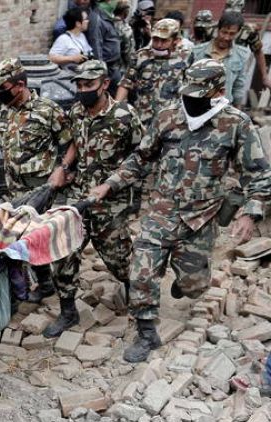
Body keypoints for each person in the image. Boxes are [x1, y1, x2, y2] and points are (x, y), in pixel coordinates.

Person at [96, 59, 271, 363]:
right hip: (161, 212)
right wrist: (109, 184)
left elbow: (259, 174)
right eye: (188, 93)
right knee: (142, 271)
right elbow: (141, 158)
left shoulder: (236, 124)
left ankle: (185, 280)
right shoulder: (168, 117)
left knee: (195, 287)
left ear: (217, 90)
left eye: (198, 95)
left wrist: (249, 212)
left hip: (200, 219)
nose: (191, 100)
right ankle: (147, 332)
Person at [0, 58, 71, 303]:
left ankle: (67, 300)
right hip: (17, 190)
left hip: (43, 191)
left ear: (19, 85)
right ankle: (45, 283)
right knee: (26, 239)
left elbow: (72, 143)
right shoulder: (6, 110)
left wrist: (62, 169)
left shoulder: (48, 110)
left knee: (50, 240)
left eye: (3, 87)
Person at [42, 60, 142, 338]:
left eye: (89, 85)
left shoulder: (125, 116)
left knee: (119, 260)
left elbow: (141, 156)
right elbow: (75, 141)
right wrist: (63, 168)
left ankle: (141, 301)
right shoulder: (76, 111)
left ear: (105, 84)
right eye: (79, 85)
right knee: (63, 252)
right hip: (79, 197)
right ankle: (68, 312)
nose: (83, 90)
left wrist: (115, 186)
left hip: (111, 202)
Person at [116, 19, 189, 129]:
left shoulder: (185, 58)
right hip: (142, 119)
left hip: (170, 122)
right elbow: (125, 83)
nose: (159, 45)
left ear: (176, 40)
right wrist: (115, 109)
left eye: (164, 41)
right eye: (155, 40)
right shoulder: (141, 56)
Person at [202, 0, 271, 90]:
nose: (227, 37)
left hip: (235, 70)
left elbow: (258, 51)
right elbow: (202, 51)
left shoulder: (248, 32)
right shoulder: (211, 30)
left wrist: (265, 77)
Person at [190, 11, 252, 105]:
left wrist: (236, 111)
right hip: (197, 106)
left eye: (232, 34)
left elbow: (239, 87)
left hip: (224, 108)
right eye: (224, 32)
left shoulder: (242, 55)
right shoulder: (197, 51)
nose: (226, 37)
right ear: (218, 29)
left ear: (238, 33)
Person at [91, 0, 125, 94]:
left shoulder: (108, 16)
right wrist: (102, 72)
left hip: (114, 67)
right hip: (107, 68)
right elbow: (96, 46)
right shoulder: (97, 18)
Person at [113, 1, 135, 70]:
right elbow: (128, 52)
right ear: (125, 12)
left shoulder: (107, 23)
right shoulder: (126, 29)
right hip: (120, 68)